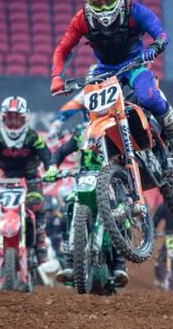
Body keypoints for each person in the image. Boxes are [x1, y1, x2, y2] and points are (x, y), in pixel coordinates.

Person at [49, 0, 173, 159]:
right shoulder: (81, 19)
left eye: (108, 1)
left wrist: (155, 47)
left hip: (135, 64)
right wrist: (57, 76)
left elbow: (161, 34)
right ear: (88, 2)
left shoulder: (134, 10)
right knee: (96, 112)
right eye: (97, 4)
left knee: (147, 97)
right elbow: (63, 48)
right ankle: (109, 152)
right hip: (105, 70)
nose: (104, 8)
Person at [0, 96, 52, 266]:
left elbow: (47, 156)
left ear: (25, 118)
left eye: (17, 118)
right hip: (8, 177)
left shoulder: (32, 136)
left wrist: (51, 171)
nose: (13, 123)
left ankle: (40, 242)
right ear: (4, 117)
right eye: (10, 118)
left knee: (35, 201)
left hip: (30, 176)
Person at [42, 123, 129, 287]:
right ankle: (70, 263)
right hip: (84, 178)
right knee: (66, 211)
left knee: (120, 210)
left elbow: (129, 154)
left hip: (111, 179)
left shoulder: (115, 130)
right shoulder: (82, 133)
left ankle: (119, 264)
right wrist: (53, 168)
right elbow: (61, 152)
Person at [47, 64, 96, 139]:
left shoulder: (117, 89)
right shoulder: (84, 94)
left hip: (113, 126)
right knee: (64, 149)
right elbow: (67, 110)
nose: (96, 86)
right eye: (92, 83)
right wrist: (56, 125)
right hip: (90, 130)